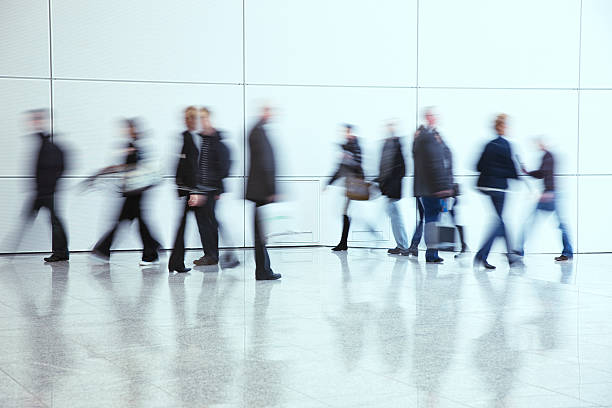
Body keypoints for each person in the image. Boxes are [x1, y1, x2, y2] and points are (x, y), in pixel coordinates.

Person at [168, 107, 231, 272]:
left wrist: (198, 190)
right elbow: (187, 165)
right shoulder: (192, 137)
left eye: (191, 118)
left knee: (207, 223)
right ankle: (184, 261)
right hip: (194, 190)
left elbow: (202, 167)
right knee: (204, 223)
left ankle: (212, 255)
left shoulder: (202, 139)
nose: (188, 121)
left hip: (198, 191)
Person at [91, 118, 161, 266]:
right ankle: (152, 249)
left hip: (136, 191)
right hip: (132, 191)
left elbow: (134, 167)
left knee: (128, 221)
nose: (125, 131)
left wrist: (107, 171)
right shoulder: (133, 145)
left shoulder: (139, 146)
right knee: (136, 222)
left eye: (128, 128)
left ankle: (104, 249)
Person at [21, 109, 70, 262]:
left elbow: (55, 168)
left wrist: (48, 187)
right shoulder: (44, 144)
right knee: (55, 220)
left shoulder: (48, 146)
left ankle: (61, 252)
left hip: (47, 190)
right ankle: (61, 252)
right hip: (45, 190)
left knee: (55, 221)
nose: (33, 123)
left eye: (35, 120)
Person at [514, 138, 573, 261]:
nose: (537, 145)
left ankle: (519, 250)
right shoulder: (547, 156)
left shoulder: (548, 156)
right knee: (558, 225)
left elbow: (545, 173)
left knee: (534, 222)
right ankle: (567, 252)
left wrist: (548, 193)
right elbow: (541, 174)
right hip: (550, 194)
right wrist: (528, 172)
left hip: (550, 195)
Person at [474, 114, 519, 270]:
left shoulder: (489, 145)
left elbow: (478, 166)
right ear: (503, 127)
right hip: (499, 189)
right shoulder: (506, 145)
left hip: (487, 187)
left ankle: (510, 257)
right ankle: (482, 255)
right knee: (499, 223)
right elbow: (512, 170)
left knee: (500, 222)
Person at [412, 108, 453, 263]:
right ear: (428, 117)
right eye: (433, 116)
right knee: (432, 219)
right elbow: (436, 163)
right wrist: (443, 186)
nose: (435, 118)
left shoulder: (423, 136)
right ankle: (431, 254)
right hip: (433, 188)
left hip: (426, 187)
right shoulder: (428, 137)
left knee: (431, 219)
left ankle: (432, 252)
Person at [246, 105, 281, 281]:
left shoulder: (256, 131)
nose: (272, 114)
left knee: (260, 233)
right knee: (260, 234)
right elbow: (265, 162)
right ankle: (263, 271)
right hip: (261, 191)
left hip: (258, 190)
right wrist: (271, 189)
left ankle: (264, 269)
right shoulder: (258, 132)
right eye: (269, 111)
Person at [327, 124, 365, 251]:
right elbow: (339, 168)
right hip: (349, 184)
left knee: (346, 213)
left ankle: (344, 243)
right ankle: (343, 243)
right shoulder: (348, 146)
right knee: (345, 213)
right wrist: (329, 182)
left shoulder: (355, 146)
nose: (346, 134)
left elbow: (358, 164)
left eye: (347, 132)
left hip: (354, 184)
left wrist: (348, 158)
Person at [377, 121, 409, 255]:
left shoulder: (396, 145)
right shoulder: (387, 145)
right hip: (387, 188)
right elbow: (383, 167)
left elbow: (402, 169)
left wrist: (391, 185)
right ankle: (402, 245)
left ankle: (403, 246)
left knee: (396, 217)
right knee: (394, 217)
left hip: (393, 189)